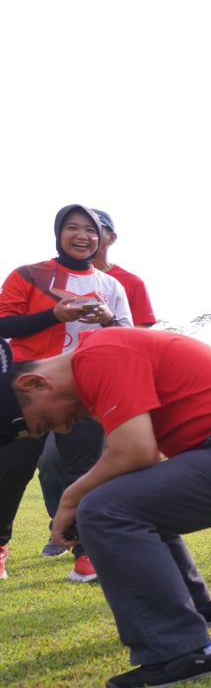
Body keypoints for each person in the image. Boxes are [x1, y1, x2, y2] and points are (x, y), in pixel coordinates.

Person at [8, 327, 211, 688]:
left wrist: (70, 499)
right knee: (129, 501)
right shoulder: (102, 353)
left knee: (102, 510)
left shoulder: (100, 355)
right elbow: (139, 462)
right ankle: (198, 610)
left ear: (34, 383)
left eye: (45, 423)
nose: (62, 429)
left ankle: (181, 652)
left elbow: (136, 452)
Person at [0, 204, 132, 585]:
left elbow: (128, 339)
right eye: (72, 227)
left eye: (90, 230)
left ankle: (87, 553)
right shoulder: (28, 275)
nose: (82, 236)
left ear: (101, 238)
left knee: (86, 472)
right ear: (59, 233)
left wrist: (108, 320)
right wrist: (54, 316)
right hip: (27, 390)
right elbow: (3, 323)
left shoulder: (111, 286)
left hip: (84, 391)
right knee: (11, 471)